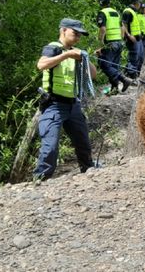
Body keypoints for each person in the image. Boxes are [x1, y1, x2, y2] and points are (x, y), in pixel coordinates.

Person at [34, 18, 98, 180]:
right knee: (50, 146)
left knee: (83, 141)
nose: (77, 38)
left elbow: (94, 74)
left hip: (73, 105)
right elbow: (41, 65)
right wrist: (67, 55)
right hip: (53, 104)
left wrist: (84, 58)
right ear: (63, 30)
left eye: (79, 35)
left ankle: (88, 169)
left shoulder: (77, 52)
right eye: (75, 33)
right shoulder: (53, 48)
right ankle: (41, 178)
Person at [95, 0, 132, 94]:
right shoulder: (115, 12)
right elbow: (122, 27)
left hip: (109, 43)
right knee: (114, 66)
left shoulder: (102, 13)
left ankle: (124, 79)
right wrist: (121, 39)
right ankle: (114, 89)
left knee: (104, 64)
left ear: (100, 2)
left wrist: (100, 45)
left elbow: (102, 29)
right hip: (119, 42)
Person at [121, 0, 144, 79]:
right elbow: (123, 24)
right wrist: (129, 35)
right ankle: (131, 76)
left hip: (138, 39)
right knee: (133, 58)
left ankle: (128, 72)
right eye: (140, 4)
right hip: (132, 39)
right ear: (136, 3)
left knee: (139, 57)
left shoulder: (134, 12)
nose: (140, 6)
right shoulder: (127, 11)